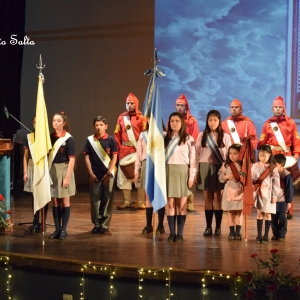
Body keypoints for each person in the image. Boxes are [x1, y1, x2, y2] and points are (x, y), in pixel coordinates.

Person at [258, 95, 300, 220]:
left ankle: (289, 209)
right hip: (273, 157)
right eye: (275, 107)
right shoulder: (267, 124)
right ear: (272, 109)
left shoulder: (291, 123)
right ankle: (273, 208)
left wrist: (297, 153)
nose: (277, 109)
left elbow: (296, 140)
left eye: (280, 107)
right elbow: (262, 141)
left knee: (288, 183)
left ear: (284, 109)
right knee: (273, 183)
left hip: (286, 157)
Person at [196, 110, 232, 237]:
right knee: (207, 198)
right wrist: (196, 172)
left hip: (219, 168)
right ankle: (208, 227)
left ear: (219, 121)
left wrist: (226, 168)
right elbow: (197, 155)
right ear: (207, 121)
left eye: (215, 120)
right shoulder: (201, 136)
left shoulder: (225, 136)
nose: (212, 123)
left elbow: (229, 156)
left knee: (218, 198)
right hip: (205, 167)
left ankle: (218, 227)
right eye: (210, 120)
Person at [164, 112, 197, 242]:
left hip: (183, 171)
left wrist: (191, 177)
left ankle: (180, 233)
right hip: (168, 171)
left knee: (182, 205)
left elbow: (193, 160)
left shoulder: (189, 139)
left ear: (182, 123)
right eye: (172, 121)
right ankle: (172, 232)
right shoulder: (164, 137)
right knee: (170, 204)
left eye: (177, 121)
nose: (174, 123)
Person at [84, 116, 118, 234]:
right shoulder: (90, 140)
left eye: (101, 125)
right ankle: (96, 223)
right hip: (95, 174)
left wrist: (109, 172)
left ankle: (104, 224)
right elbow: (87, 157)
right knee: (94, 200)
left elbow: (114, 157)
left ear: (106, 126)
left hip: (108, 174)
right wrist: (90, 173)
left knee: (107, 199)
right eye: (97, 125)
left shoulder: (111, 140)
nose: (99, 127)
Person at [114, 93, 147, 209]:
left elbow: (145, 136)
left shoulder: (142, 118)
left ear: (136, 104)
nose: (129, 105)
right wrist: (119, 149)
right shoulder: (121, 118)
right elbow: (117, 135)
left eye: (132, 103)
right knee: (124, 179)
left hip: (138, 152)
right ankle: (126, 201)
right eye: (128, 103)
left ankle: (141, 202)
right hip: (124, 152)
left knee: (140, 178)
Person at [48, 112, 76, 240]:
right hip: (52, 170)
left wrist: (68, 177)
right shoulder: (50, 137)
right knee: (55, 201)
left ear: (64, 123)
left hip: (64, 170)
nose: (56, 123)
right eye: (54, 120)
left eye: (59, 121)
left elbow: (71, 159)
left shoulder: (69, 139)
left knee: (64, 201)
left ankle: (64, 229)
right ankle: (57, 229)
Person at [134, 128, 165, 234]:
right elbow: (138, 154)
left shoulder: (165, 134)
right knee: (148, 196)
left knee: (160, 195)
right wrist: (136, 171)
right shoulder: (143, 135)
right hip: (146, 165)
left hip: (160, 165)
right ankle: (148, 225)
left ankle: (160, 225)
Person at [174, 94, 200, 212]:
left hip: (189, 152)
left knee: (190, 175)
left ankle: (190, 202)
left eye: (182, 105)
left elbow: (195, 137)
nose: (179, 107)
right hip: (176, 153)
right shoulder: (172, 119)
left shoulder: (191, 121)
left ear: (186, 107)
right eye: (178, 105)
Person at [23, 116, 48, 233]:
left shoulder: (46, 137)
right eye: (34, 122)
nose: (36, 124)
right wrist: (25, 171)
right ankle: (36, 221)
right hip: (32, 166)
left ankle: (43, 221)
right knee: (34, 196)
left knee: (43, 194)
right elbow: (25, 156)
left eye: (38, 122)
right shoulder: (29, 137)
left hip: (43, 166)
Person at [251, 145, 280, 244]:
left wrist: (274, 196)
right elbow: (252, 179)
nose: (262, 158)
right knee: (259, 213)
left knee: (267, 214)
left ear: (269, 155)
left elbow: (276, 184)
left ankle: (266, 235)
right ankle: (259, 235)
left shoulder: (273, 168)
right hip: (259, 193)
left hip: (269, 194)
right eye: (260, 155)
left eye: (265, 156)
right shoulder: (255, 166)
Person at [218, 144, 243, 240]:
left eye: (235, 154)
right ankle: (231, 231)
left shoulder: (243, 165)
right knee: (230, 212)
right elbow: (220, 177)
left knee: (239, 212)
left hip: (240, 190)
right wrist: (227, 177)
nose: (232, 156)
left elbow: (247, 177)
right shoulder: (225, 165)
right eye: (230, 153)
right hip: (229, 190)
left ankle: (238, 232)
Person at [271, 154, 294, 240]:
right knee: (273, 218)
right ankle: (275, 233)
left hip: (282, 200)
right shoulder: (272, 173)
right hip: (273, 199)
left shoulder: (286, 175)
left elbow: (289, 189)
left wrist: (288, 202)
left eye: (275, 164)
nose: (273, 165)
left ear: (280, 164)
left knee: (282, 217)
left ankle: (282, 234)